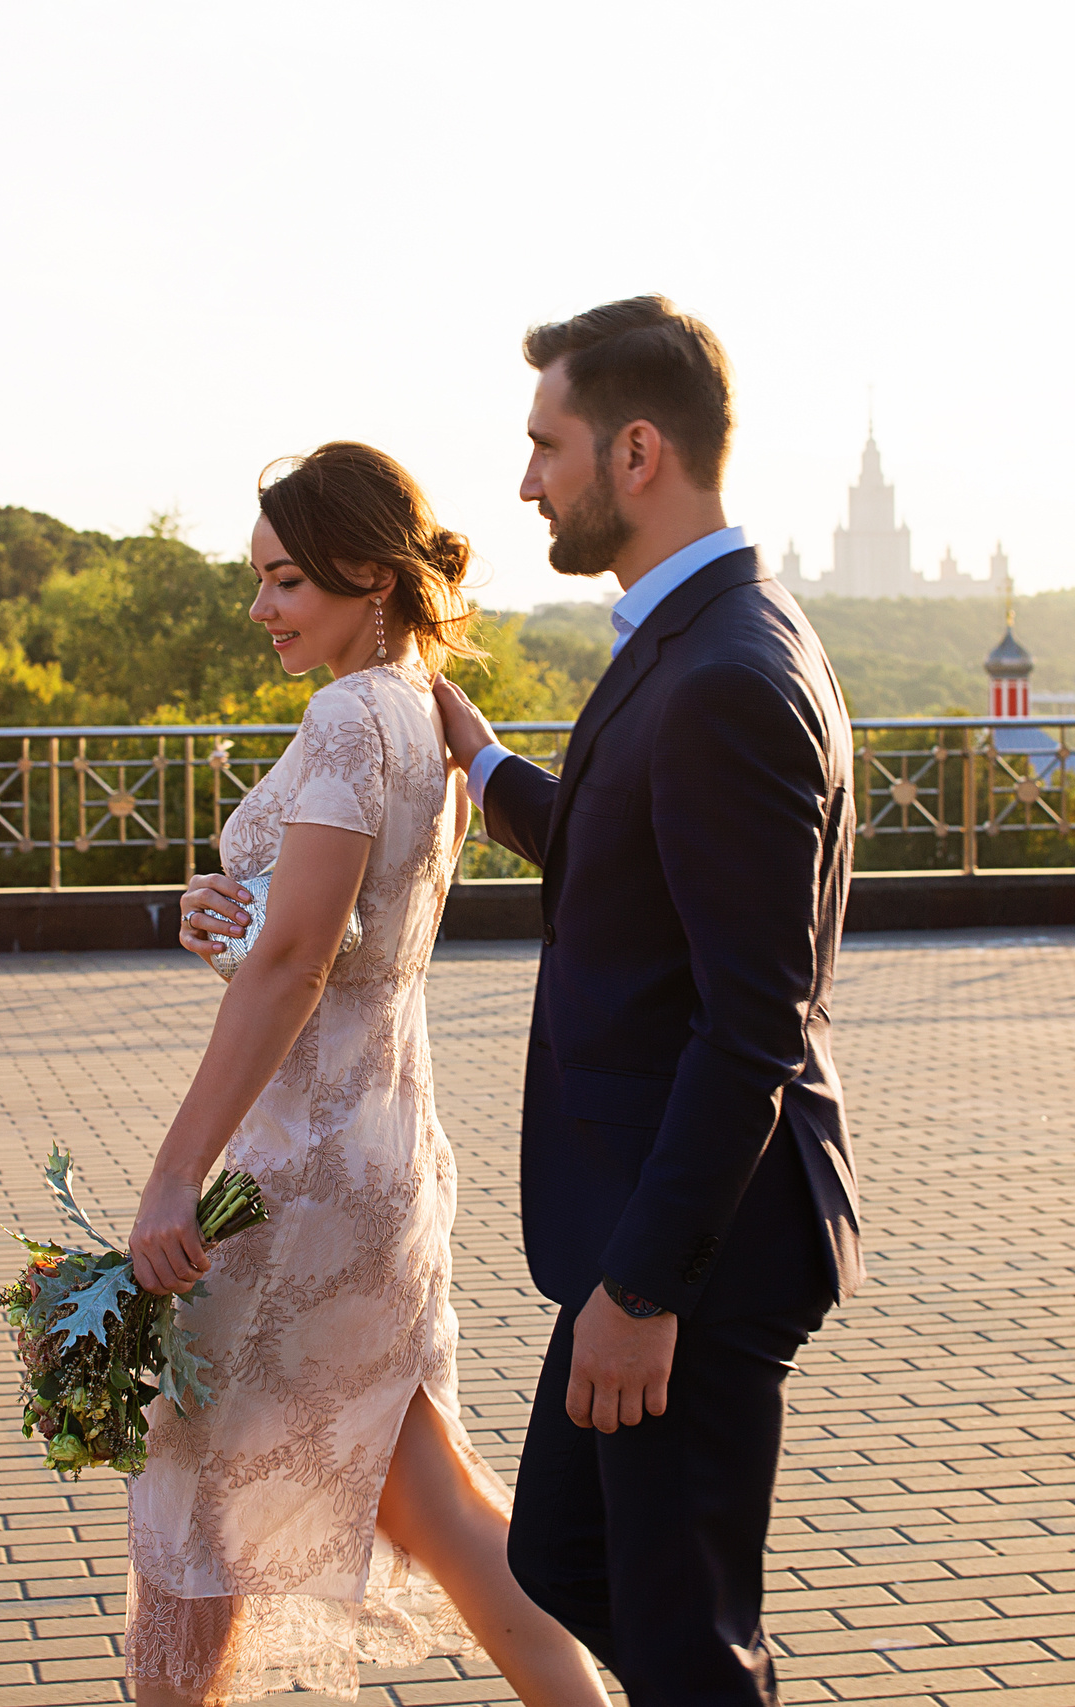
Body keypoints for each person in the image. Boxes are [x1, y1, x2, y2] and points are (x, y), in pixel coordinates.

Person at [432, 296, 864, 1706]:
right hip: (656, 1221)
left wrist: (643, 1288)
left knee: (685, 1637)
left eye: (544, 443)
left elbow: (755, 1023)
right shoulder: (694, 637)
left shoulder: (729, 673)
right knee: (567, 1552)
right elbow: (630, 857)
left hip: (703, 1243)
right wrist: (488, 765)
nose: (525, 481)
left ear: (633, 452)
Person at [130, 441, 608, 1707]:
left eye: (285, 580)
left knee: (193, 1517)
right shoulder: (425, 718)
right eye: (259, 581)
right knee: (436, 1508)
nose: (261, 609)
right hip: (385, 1152)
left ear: (367, 573)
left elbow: (296, 967)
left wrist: (175, 1172)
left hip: (301, 1180)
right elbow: (329, 938)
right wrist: (219, 915)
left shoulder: (349, 715)